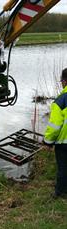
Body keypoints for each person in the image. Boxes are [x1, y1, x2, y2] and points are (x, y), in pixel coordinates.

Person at [44, 68, 67, 198]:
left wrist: (48, 142)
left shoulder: (60, 101)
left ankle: (60, 192)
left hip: (64, 142)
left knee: (63, 168)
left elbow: (54, 126)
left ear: (64, 81)